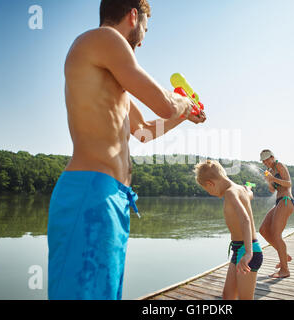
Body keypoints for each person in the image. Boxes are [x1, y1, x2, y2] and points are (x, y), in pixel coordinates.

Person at [47, 0, 207, 300]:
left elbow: (144, 131)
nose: (144, 38)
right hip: (90, 194)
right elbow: (164, 103)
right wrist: (182, 103)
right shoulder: (104, 38)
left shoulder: (113, 75)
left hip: (112, 198)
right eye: (146, 27)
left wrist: (183, 115)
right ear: (134, 16)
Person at [194, 160, 263, 300]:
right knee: (228, 296)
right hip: (238, 249)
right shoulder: (240, 190)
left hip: (248, 251)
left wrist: (248, 253)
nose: (211, 193)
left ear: (210, 183)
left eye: (208, 190)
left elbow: (245, 220)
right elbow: (249, 194)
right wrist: (248, 188)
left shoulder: (231, 193)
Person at [258, 150, 294, 278]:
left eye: (267, 159)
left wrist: (273, 178)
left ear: (273, 157)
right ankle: (285, 256)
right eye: (263, 161)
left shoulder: (279, 165)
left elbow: (289, 183)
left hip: (286, 200)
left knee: (276, 233)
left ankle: (285, 270)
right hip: (279, 201)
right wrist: (269, 181)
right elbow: (273, 189)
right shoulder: (271, 171)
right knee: (263, 230)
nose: (265, 162)